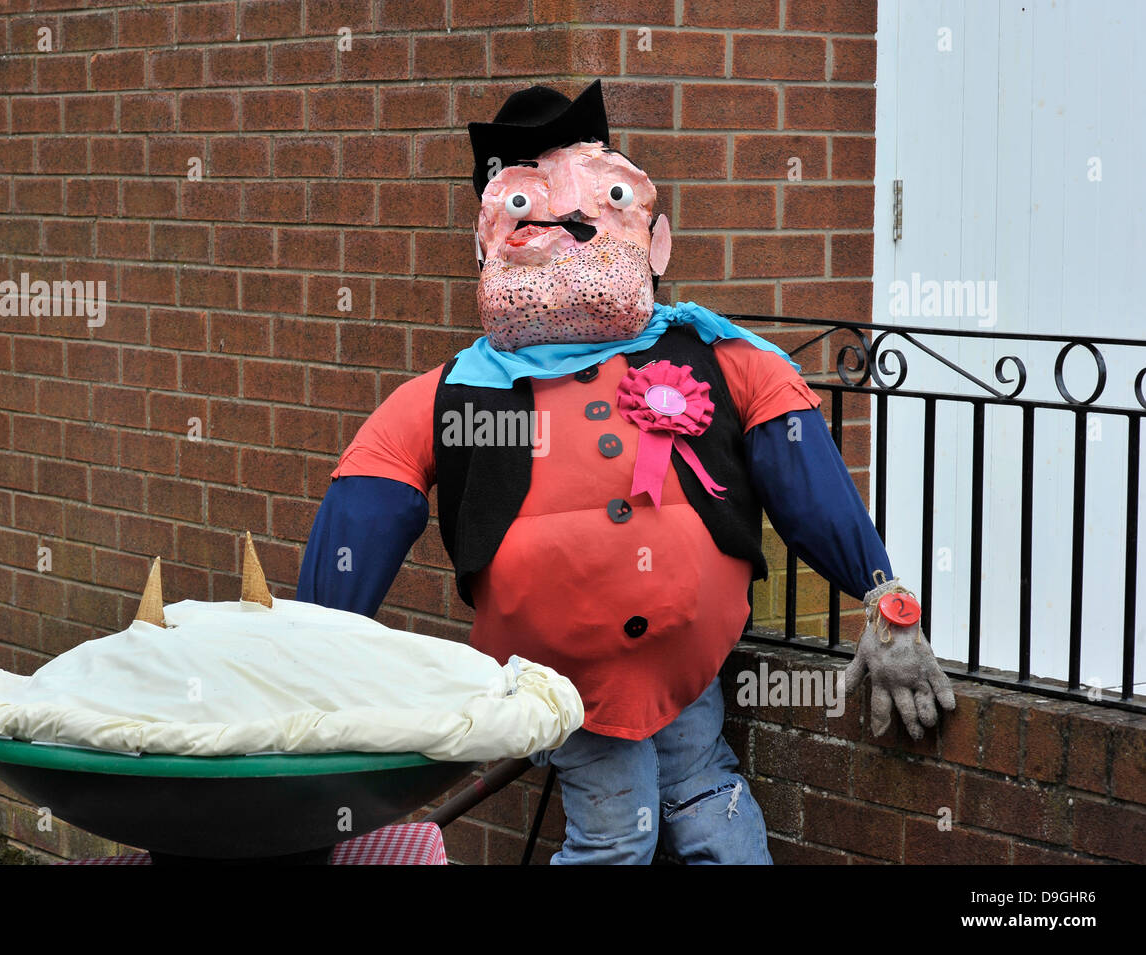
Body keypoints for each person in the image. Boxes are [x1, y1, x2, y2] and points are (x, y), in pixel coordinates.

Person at [297, 80, 954, 864]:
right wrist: (315, 648)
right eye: (525, 205)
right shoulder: (456, 392)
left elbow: (799, 465)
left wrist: (881, 593)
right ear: (486, 245)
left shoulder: (715, 356)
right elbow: (370, 493)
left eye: (591, 202)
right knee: (615, 838)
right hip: (564, 684)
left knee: (708, 808)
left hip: (688, 672)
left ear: (656, 242)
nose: (562, 223)